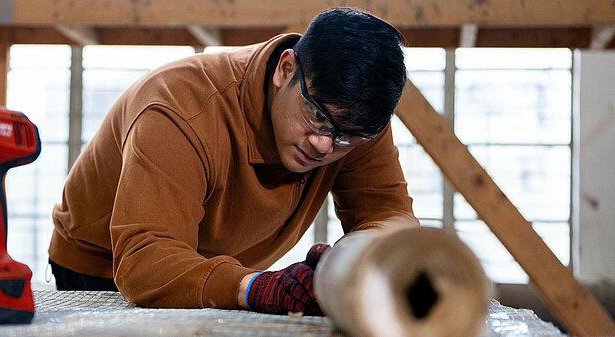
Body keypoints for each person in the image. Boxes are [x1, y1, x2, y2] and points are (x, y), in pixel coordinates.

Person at [48, 7, 418, 315]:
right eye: (317, 118)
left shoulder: (354, 122)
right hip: (106, 270)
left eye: (347, 136)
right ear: (285, 70)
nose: (324, 145)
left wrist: (355, 257)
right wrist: (259, 287)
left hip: (221, 266)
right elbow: (146, 261)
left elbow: (387, 214)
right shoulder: (179, 107)